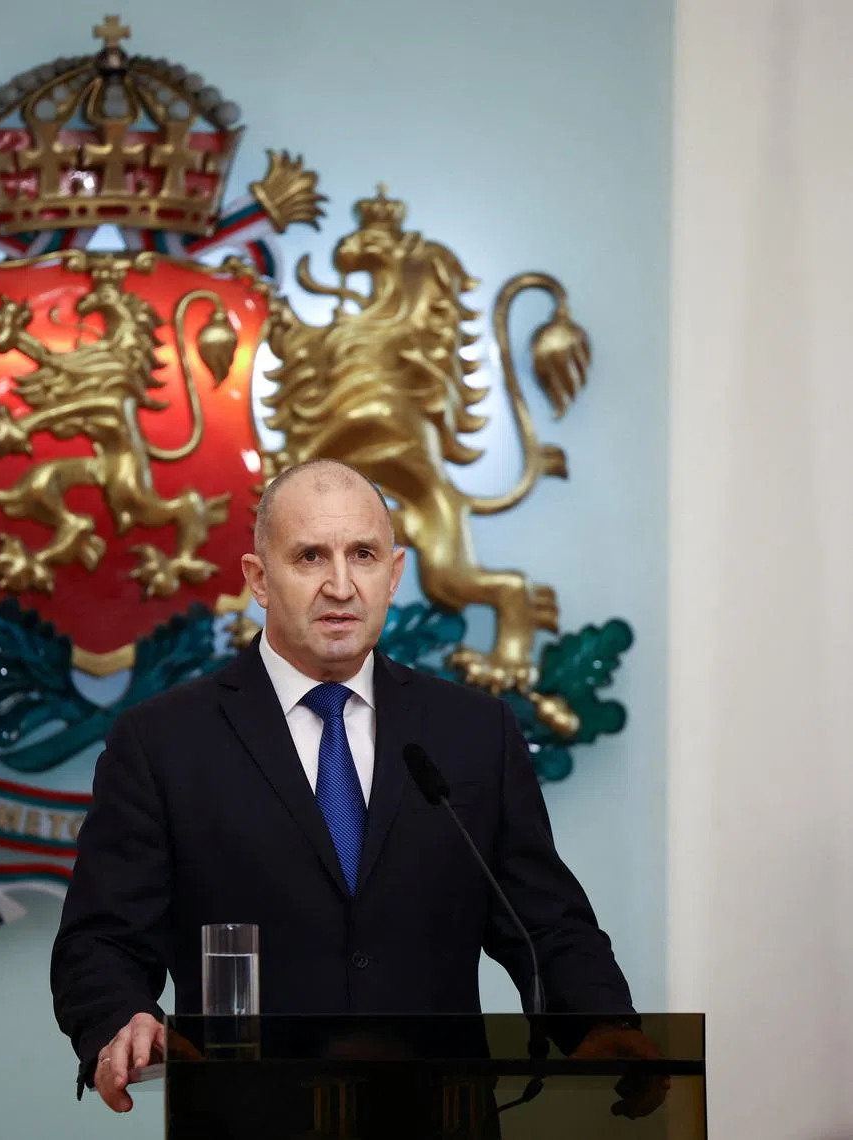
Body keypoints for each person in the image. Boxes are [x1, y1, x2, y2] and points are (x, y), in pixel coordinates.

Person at [51, 459, 664, 1116]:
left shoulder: (474, 731)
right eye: (310, 556)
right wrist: (121, 1020)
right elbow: (103, 939)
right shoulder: (162, 742)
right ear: (259, 579)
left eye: (363, 555)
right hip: (248, 1123)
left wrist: (603, 1023)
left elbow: (545, 924)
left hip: (437, 1121)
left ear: (394, 574)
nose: (340, 585)